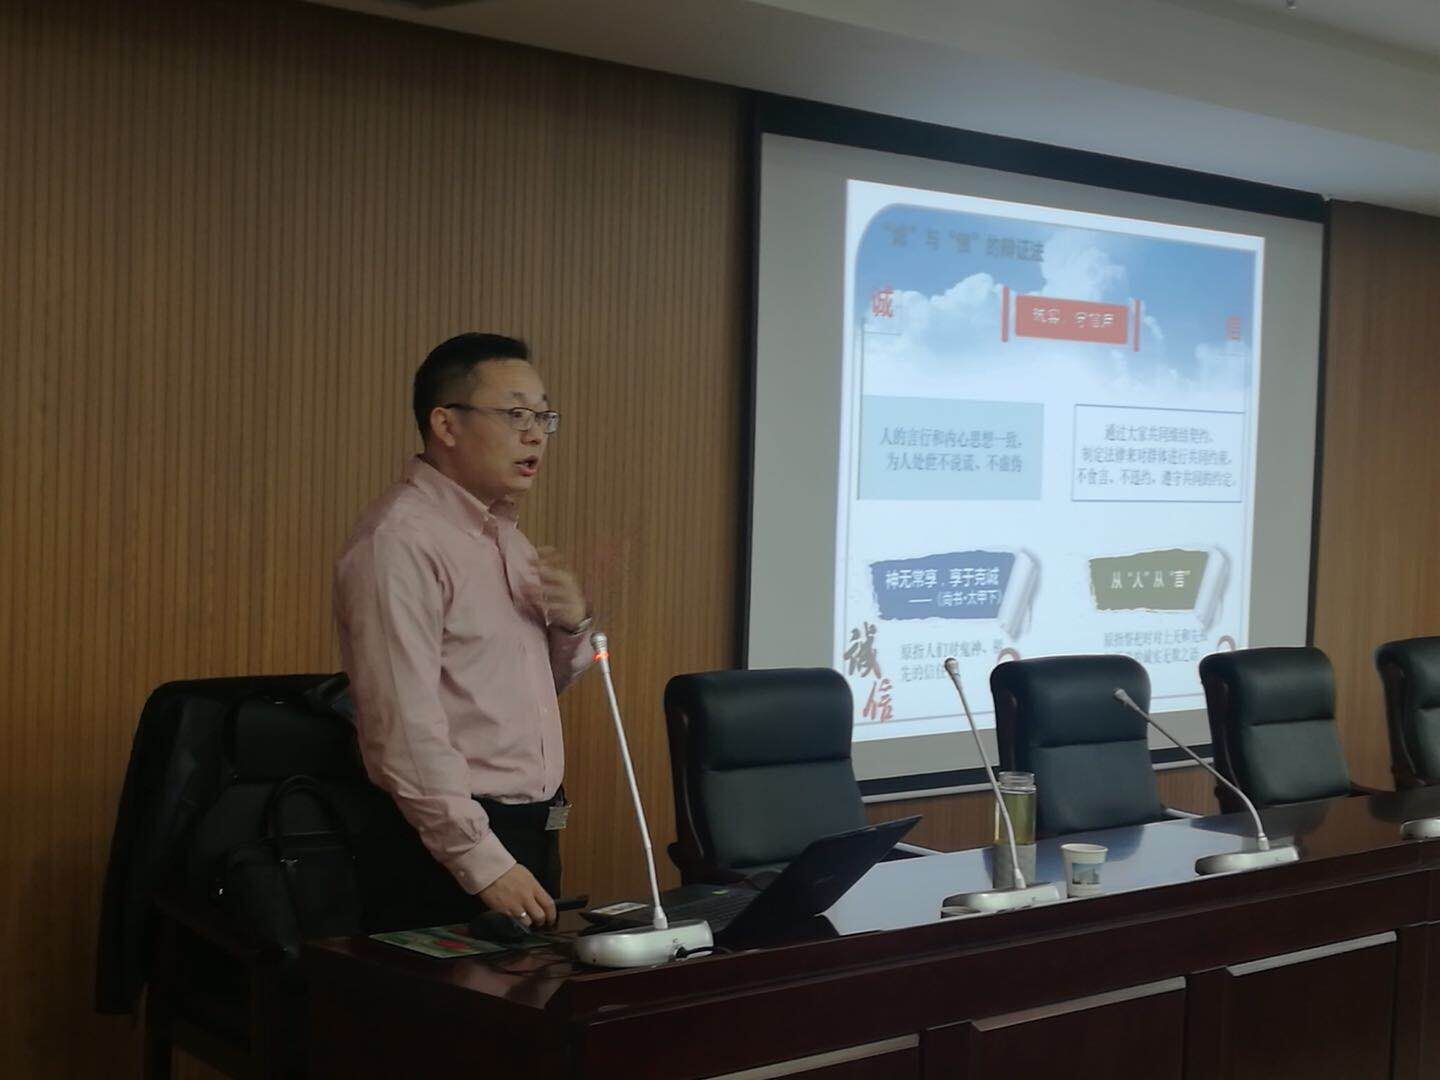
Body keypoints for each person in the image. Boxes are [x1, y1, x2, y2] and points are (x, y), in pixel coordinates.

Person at [334, 333, 593, 929]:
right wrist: (481, 860)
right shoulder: (399, 542)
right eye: (516, 414)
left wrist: (571, 626)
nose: (536, 434)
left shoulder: (506, 539)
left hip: (528, 830)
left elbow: (517, 694)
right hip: (443, 848)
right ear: (446, 424)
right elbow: (402, 729)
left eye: (543, 417)